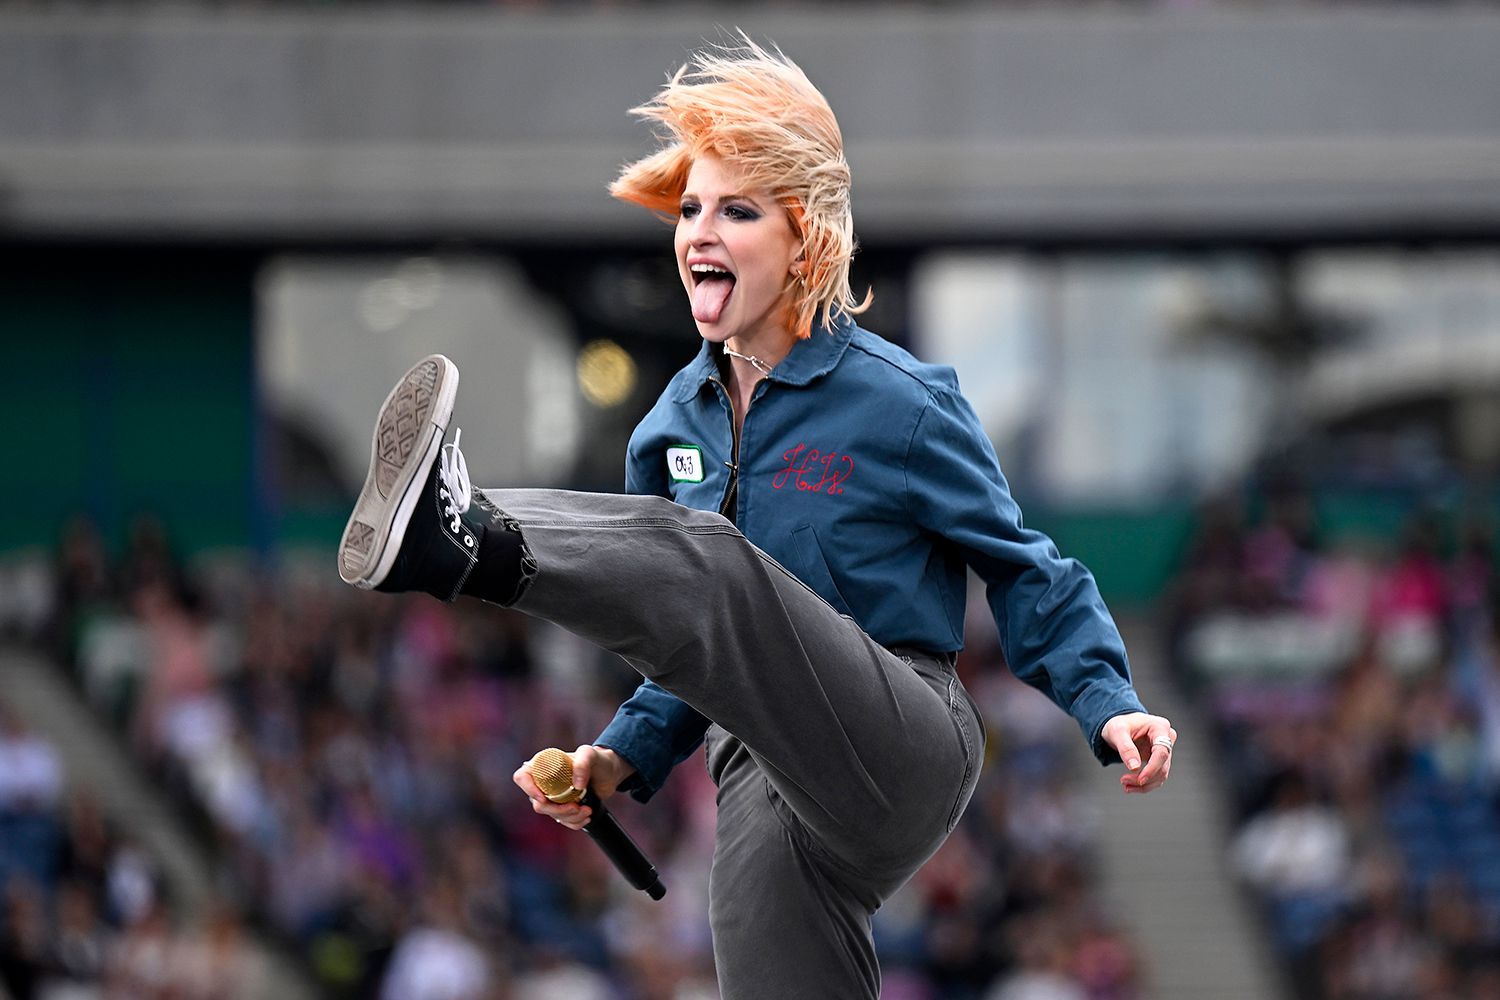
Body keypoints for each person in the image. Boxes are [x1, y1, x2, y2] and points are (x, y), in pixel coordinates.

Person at [336, 38, 1176, 1000]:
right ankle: (457, 531)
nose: (699, 231)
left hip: (899, 737)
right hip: (759, 767)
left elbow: (1028, 571)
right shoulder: (668, 426)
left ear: (807, 237)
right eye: (690, 208)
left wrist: (1111, 705)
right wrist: (617, 757)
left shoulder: (902, 402)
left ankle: (468, 534)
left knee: (713, 558)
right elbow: (687, 641)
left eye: (737, 211)